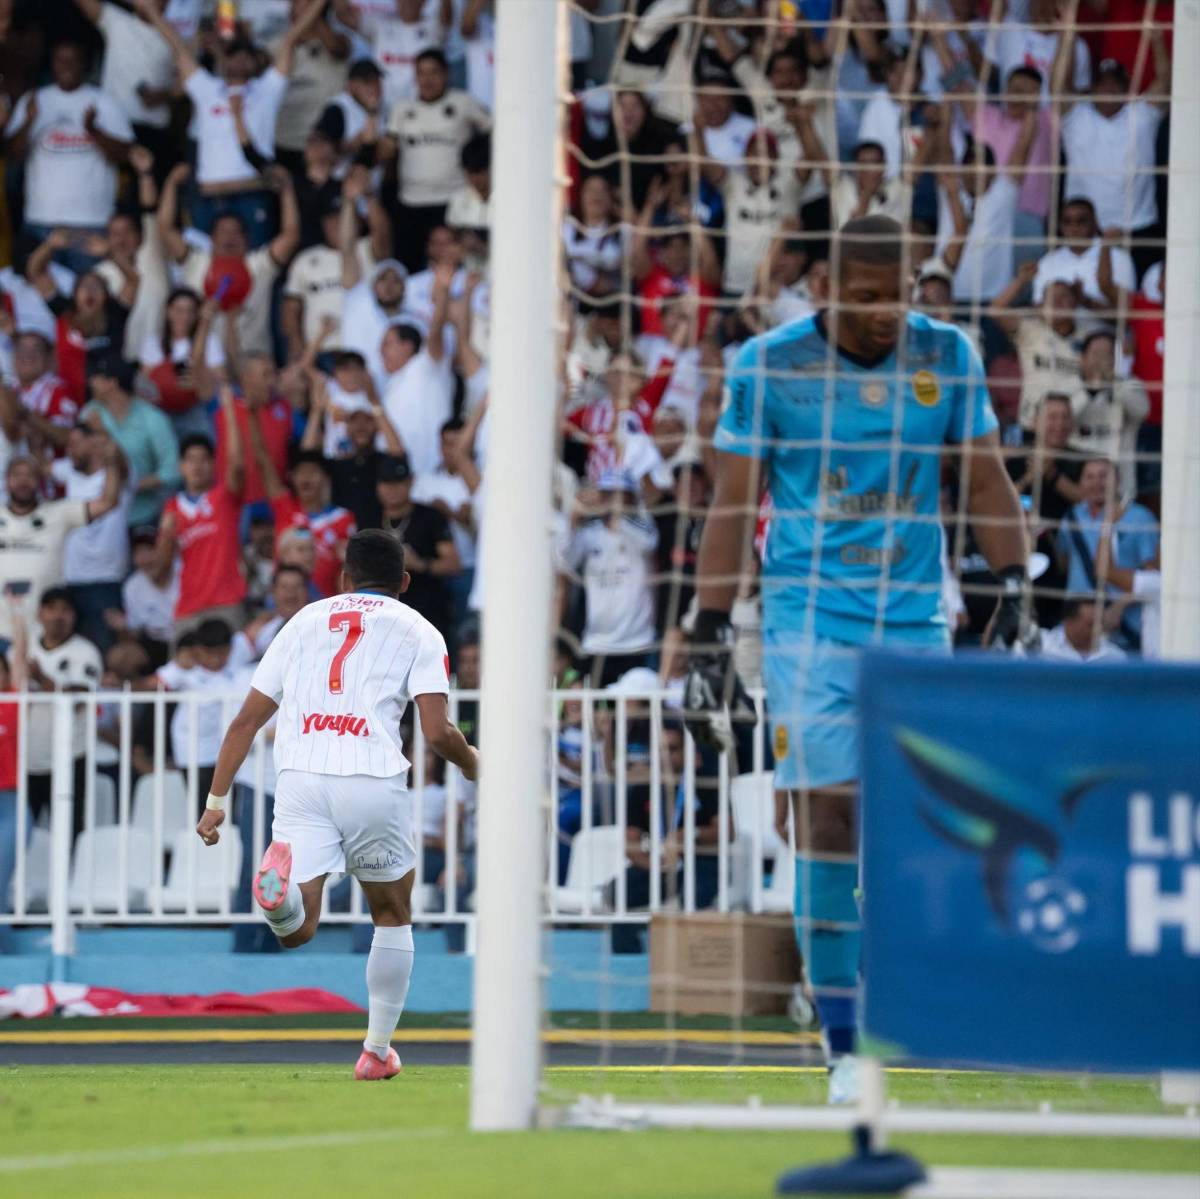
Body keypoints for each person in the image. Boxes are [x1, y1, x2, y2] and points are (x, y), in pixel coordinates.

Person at [685, 215, 1029, 1104]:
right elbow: (732, 501)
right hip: (804, 626)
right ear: (827, 288)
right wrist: (712, 626)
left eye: (901, 294)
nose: (887, 313)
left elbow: (984, 475)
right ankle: (845, 1045)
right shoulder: (768, 365)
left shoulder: (946, 356)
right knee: (825, 823)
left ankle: (906, 984)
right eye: (868, 297)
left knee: (916, 824)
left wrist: (1018, 581)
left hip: (914, 619)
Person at [195, 529, 480, 1081]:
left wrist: (215, 802)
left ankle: (275, 901)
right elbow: (439, 733)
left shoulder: (301, 621)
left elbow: (245, 722)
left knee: (295, 929)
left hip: (300, 778)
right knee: (392, 914)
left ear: (344, 579)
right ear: (404, 582)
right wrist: (474, 764)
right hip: (372, 779)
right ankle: (376, 1052)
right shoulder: (420, 629)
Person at [2, 41, 133, 271]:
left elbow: (124, 156)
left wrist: (94, 130)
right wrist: (30, 121)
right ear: (52, 64)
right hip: (41, 222)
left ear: (84, 64)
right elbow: (12, 155)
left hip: (92, 224)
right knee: (37, 300)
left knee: (88, 296)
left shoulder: (104, 101)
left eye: (74, 60)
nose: (67, 66)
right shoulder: (34, 100)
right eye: (61, 59)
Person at [0, 452, 122, 652]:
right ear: (6, 481)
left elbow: (108, 502)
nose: (23, 481)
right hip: (2, 633)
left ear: (40, 481)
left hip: (46, 636)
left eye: (30, 475)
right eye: (17, 475)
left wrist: (111, 460)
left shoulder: (58, 513)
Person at [155, 388, 245, 637]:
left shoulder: (224, 497)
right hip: (188, 608)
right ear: (181, 467)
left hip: (226, 604)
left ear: (213, 464)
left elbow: (237, 463)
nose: (197, 466)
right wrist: (166, 537)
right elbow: (160, 570)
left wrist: (229, 412)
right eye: (190, 460)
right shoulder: (172, 507)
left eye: (204, 459)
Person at [559, 472, 660, 688]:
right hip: (597, 644)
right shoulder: (589, 534)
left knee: (635, 717)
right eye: (606, 495)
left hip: (637, 643)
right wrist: (572, 518)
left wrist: (617, 515)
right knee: (597, 714)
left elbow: (649, 543)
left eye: (618, 495)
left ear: (631, 497)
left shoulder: (643, 527)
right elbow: (564, 559)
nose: (611, 500)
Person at [23, 587, 103, 837]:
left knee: (69, 831)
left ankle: (71, 877)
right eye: (51, 608)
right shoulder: (24, 650)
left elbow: (78, 699)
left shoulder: (85, 652)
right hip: (27, 758)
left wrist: (40, 677)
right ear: (39, 614)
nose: (58, 615)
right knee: (21, 832)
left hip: (69, 757)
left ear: (74, 616)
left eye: (65, 610)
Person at [1058, 456, 1157, 651]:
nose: (1096, 483)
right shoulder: (1070, 518)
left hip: (1125, 629)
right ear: (1080, 483)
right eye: (1090, 477)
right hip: (1076, 631)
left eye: (1103, 476)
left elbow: (1153, 576)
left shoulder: (1141, 517)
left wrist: (1119, 606)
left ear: (1118, 480)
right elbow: (1065, 565)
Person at [51, 424, 133, 651]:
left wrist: (107, 440)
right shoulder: (69, 471)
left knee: (102, 652)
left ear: (95, 443)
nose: (69, 450)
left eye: (75, 444)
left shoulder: (117, 473)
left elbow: (119, 461)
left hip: (104, 582)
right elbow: (39, 468)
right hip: (70, 581)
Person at [81, 351, 180, 527]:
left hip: (144, 518)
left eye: (96, 378)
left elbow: (172, 472)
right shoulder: (89, 414)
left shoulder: (152, 418)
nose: (91, 383)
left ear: (112, 383)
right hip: (100, 518)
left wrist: (130, 485)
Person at [375, 455, 460, 638]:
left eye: (398, 482)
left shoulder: (430, 517)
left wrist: (419, 564)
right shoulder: (370, 519)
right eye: (387, 482)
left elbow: (453, 564)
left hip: (427, 611)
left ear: (411, 482)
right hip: (382, 614)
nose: (392, 489)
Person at [1039, 596, 1125, 663]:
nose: (1098, 629)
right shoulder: (1041, 644)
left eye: (1100, 623)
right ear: (1069, 622)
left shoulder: (1115, 656)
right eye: (1090, 624)